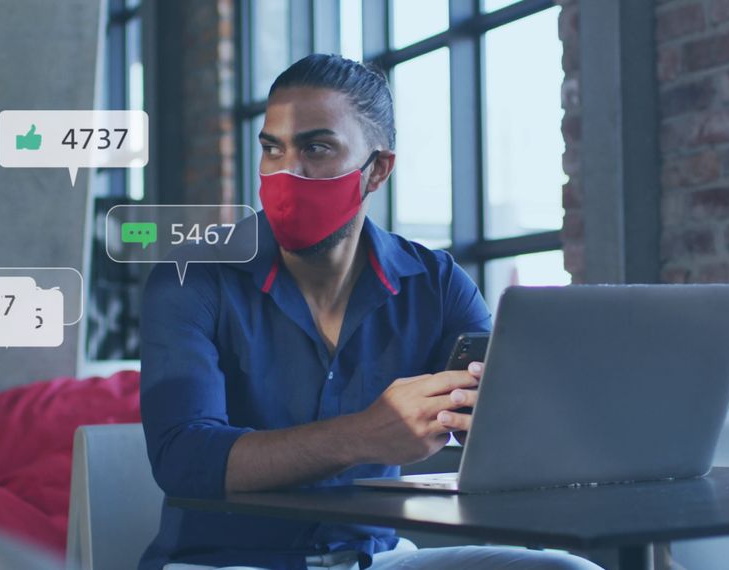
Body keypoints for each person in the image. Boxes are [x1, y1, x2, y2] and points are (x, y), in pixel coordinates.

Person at [140, 54, 600, 570]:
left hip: (377, 559)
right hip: (226, 563)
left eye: (316, 147)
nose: (287, 171)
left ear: (377, 169)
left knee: (568, 569)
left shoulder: (436, 283)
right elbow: (183, 459)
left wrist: (504, 420)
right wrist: (363, 434)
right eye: (273, 148)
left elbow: (502, 434)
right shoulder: (193, 278)